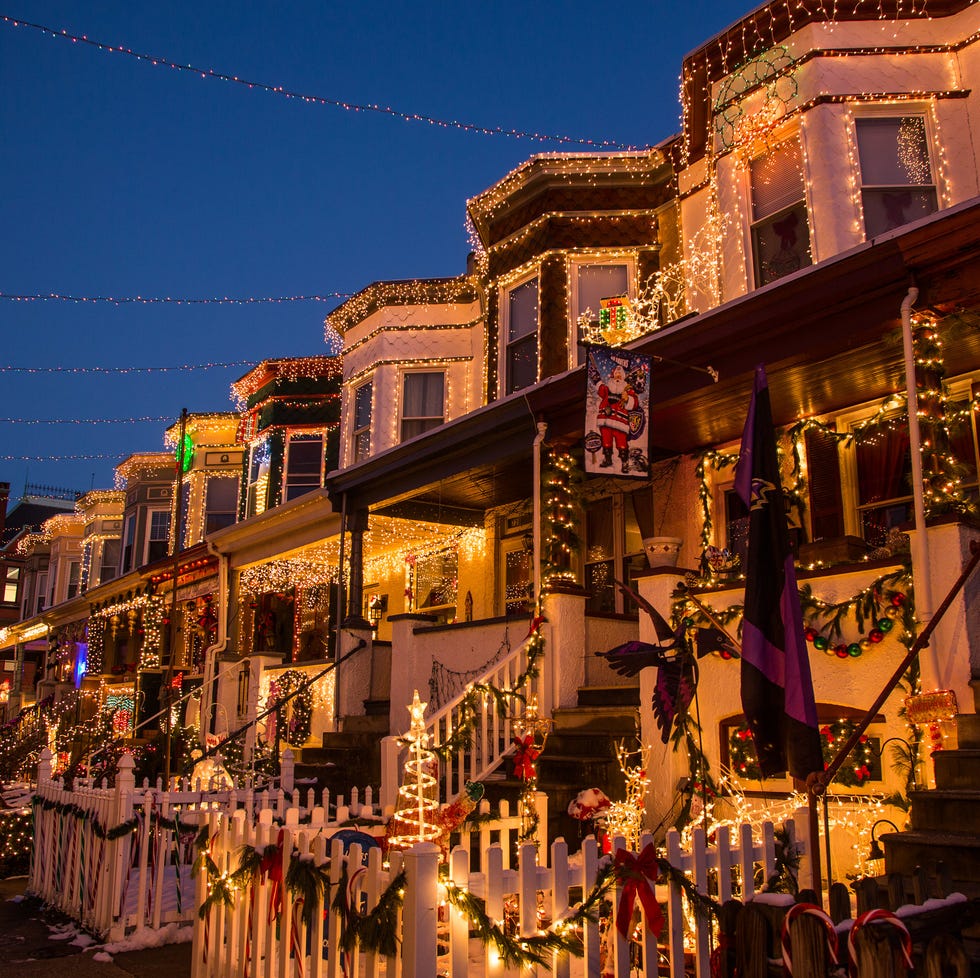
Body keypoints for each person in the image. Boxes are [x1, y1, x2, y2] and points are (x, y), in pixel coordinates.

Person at [596, 362, 639, 473]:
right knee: (606, 440)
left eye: (620, 374)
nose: (618, 376)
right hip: (605, 419)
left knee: (621, 442)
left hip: (620, 420)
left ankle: (624, 462)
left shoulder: (627, 390)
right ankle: (608, 458)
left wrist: (628, 399)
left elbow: (634, 403)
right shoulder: (607, 387)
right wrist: (596, 379)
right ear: (613, 375)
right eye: (616, 374)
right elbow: (600, 390)